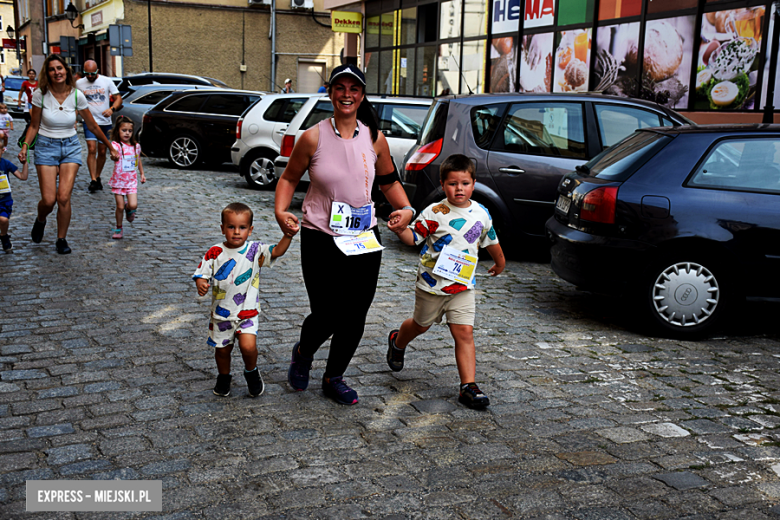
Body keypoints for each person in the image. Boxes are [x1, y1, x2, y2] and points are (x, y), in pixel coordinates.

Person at [274, 63, 416, 405]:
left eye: (354, 89)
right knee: (326, 311)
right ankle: (304, 352)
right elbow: (289, 178)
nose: (347, 94)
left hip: (363, 238)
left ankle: (333, 376)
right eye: (341, 88)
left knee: (355, 313)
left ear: (362, 95)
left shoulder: (374, 137)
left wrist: (406, 209)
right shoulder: (313, 136)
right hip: (321, 236)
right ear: (330, 92)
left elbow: (388, 181)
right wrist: (281, 211)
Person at [386, 154, 506, 409]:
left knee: (464, 332)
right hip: (431, 286)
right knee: (420, 326)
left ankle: (468, 386)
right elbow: (413, 238)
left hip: (463, 287)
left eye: (464, 183)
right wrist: (400, 230)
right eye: (452, 183)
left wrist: (500, 262)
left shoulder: (481, 213)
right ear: (442, 184)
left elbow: (490, 240)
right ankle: (398, 341)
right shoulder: (434, 212)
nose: (459, 188)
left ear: (474, 183)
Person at [193, 202, 298, 398]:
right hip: (221, 314)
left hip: (247, 312)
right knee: (223, 351)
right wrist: (201, 282)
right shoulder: (215, 251)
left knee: (248, 346)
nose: (236, 232)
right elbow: (202, 272)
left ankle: (251, 371)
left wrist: (288, 236)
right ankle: (224, 377)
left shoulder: (255, 250)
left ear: (250, 230)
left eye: (242, 227)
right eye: (231, 227)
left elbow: (276, 251)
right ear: (222, 228)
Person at [19, 54, 119, 255]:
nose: (57, 72)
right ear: (47, 73)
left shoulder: (77, 95)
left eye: (60, 68)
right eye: (52, 69)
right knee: (48, 200)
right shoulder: (40, 94)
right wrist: (24, 147)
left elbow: (92, 124)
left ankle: (61, 239)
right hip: (46, 146)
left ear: (66, 71)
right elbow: (34, 125)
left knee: (63, 197)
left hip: (71, 147)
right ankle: (40, 220)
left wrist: (110, 146)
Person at [76, 60, 122, 193]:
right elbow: (74, 102)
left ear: (98, 71)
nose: (90, 76)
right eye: (87, 74)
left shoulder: (106, 81)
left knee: (102, 151)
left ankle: (97, 175)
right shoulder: (79, 83)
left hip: (105, 122)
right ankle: (93, 180)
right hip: (89, 121)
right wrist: (74, 118)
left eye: (93, 74)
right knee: (91, 149)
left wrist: (112, 109)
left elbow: (118, 98)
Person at [108, 116, 146, 239]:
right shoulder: (116, 145)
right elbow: (112, 155)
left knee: (133, 205)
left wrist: (142, 174)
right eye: (124, 130)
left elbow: (138, 160)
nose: (127, 133)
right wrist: (114, 156)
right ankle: (118, 228)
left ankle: (128, 208)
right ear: (118, 131)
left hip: (131, 181)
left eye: (129, 131)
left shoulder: (136, 146)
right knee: (119, 206)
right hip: (118, 181)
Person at [0, 133, 30, 252]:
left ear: (2, 150)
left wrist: (25, 163)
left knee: (3, 220)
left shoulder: (6, 164)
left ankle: (4, 236)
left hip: (4, 201)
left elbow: (23, 177)